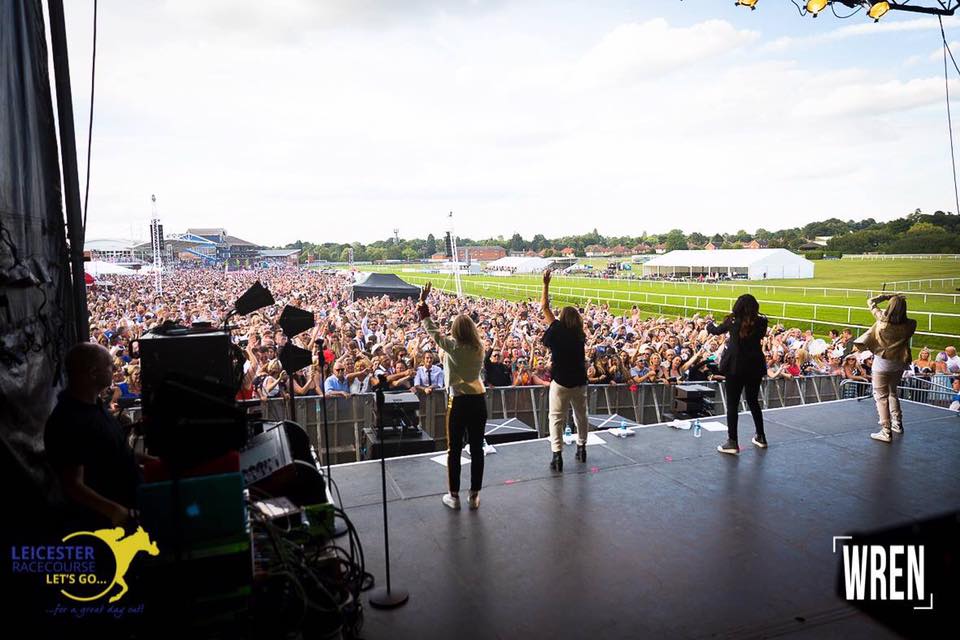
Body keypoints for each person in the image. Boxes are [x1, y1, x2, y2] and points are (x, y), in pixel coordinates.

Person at [44, 343, 145, 528]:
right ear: (92, 373)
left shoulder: (96, 408)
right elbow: (73, 485)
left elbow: (108, 451)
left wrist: (144, 458)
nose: (114, 368)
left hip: (128, 507)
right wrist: (114, 511)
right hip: (106, 525)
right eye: (108, 365)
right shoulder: (69, 420)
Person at [417, 283, 487, 511]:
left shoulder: (453, 347)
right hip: (479, 401)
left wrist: (422, 303)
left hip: (458, 402)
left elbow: (432, 330)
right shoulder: (480, 348)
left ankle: (454, 496)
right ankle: (474, 495)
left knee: (454, 449)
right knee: (477, 449)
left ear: (456, 331)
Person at [707, 295, 768, 454]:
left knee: (732, 405)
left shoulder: (732, 321)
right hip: (755, 366)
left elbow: (715, 330)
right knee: (753, 401)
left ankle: (732, 442)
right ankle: (761, 436)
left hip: (735, 367)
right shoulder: (762, 321)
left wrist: (708, 324)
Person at [540, 270, 589, 471]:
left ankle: (557, 456)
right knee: (581, 416)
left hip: (560, 382)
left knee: (556, 418)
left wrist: (545, 284)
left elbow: (544, 307)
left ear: (562, 317)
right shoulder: (579, 334)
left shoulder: (558, 329)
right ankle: (581, 448)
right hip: (579, 382)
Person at [855, 294, 916, 442]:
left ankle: (886, 431)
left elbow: (870, 301)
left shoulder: (882, 320)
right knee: (892, 392)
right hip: (899, 363)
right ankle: (897, 423)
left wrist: (885, 296)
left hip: (882, 363)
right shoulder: (911, 324)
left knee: (881, 397)